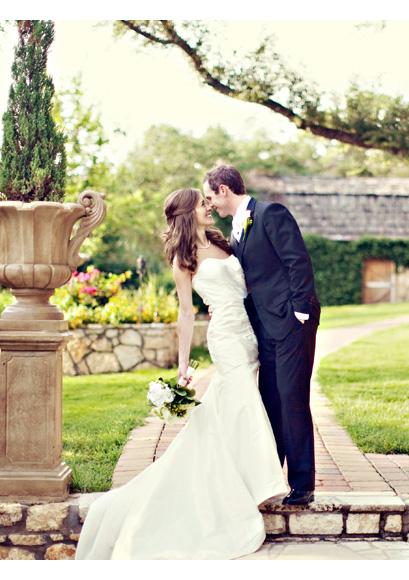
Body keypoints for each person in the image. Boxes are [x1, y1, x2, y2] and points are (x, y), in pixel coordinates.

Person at [75, 188, 287, 560]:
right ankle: (262, 484)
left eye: (208, 202)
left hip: (250, 333)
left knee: (227, 410)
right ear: (187, 213)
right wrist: (182, 364)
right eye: (202, 204)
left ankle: (233, 480)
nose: (209, 208)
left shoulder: (225, 242)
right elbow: (187, 313)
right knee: (243, 402)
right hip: (225, 338)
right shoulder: (183, 258)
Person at [202, 165, 320, 506]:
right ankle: (271, 475)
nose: (211, 206)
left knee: (292, 397)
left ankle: (302, 484)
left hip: (290, 323)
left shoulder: (271, 213)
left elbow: (298, 262)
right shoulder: (237, 230)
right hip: (263, 328)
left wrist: (299, 313)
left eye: (211, 197)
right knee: (270, 400)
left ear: (224, 189)